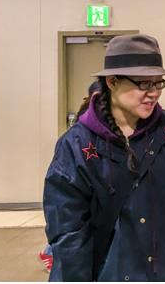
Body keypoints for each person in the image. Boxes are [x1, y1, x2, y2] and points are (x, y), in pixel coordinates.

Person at [43, 34, 165, 281]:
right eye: (143, 84)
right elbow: (67, 227)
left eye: (158, 83)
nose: (154, 93)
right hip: (111, 272)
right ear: (112, 82)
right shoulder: (76, 145)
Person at [38, 80, 102, 274]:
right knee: (74, 219)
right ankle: (50, 251)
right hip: (83, 183)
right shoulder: (81, 130)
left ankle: (50, 251)